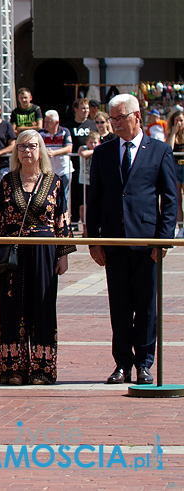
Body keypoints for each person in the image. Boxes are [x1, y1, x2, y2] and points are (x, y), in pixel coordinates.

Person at [87, 93, 178, 385]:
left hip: (146, 243)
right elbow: (95, 199)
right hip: (113, 242)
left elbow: (170, 200)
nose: (115, 124)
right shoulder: (103, 152)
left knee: (146, 306)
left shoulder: (159, 151)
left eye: (120, 118)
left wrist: (163, 241)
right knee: (120, 306)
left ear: (137, 116)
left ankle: (144, 363)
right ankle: (122, 364)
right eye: (112, 119)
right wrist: (94, 241)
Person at [0, 130, 74, 385]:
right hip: (12, 251)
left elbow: (62, 219)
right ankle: (13, 369)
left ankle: (42, 369)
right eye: (21, 147)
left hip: (45, 250)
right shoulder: (7, 181)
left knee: (43, 307)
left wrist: (63, 254)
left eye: (31, 146)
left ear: (40, 149)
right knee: (12, 308)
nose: (26, 151)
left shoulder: (54, 181)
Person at [65, 98, 96, 228]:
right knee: (75, 194)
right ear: (76, 110)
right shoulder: (69, 126)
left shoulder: (92, 125)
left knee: (89, 194)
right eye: (83, 108)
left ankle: (88, 222)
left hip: (89, 166)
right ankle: (74, 221)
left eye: (87, 109)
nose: (86, 111)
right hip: (75, 165)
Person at [39, 110, 73, 209]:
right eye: (45, 121)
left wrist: (54, 153)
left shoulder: (64, 131)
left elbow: (69, 148)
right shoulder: (41, 133)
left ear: (56, 123)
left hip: (63, 169)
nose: (45, 124)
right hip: (47, 170)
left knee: (63, 197)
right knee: (47, 196)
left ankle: (63, 220)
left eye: (48, 122)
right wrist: (44, 152)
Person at [77, 130, 101, 232]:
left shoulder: (100, 150)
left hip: (95, 180)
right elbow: (82, 153)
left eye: (95, 142)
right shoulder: (84, 147)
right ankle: (84, 227)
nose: (93, 144)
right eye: (91, 142)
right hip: (84, 181)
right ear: (87, 142)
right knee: (83, 205)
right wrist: (96, 150)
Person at [166, 109, 184, 229]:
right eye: (177, 120)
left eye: (181, 120)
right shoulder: (170, 134)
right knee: (177, 199)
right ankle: (181, 227)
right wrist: (173, 132)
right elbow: (169, 148)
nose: (179, 123)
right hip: (175, 167)